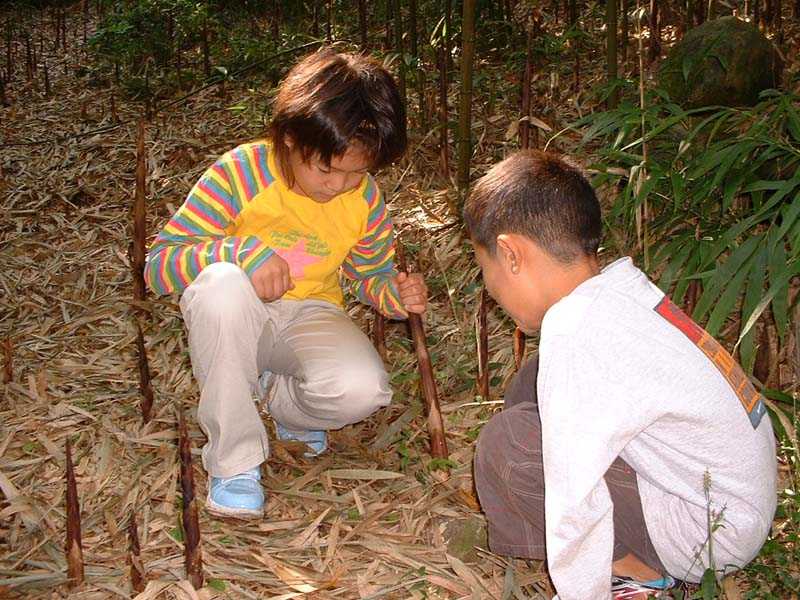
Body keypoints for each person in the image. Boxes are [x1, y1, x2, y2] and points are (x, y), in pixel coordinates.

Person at [464, 150, 777, 599]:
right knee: (532, 383)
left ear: (512, 254)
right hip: (732, 501)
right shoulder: (617, 292)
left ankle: (636, 575)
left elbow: (575, 495)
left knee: (507, 443)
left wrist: (581, 589)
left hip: (705, 530)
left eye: (486, 269)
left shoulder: (576, 331)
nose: (490, 289)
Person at [144, 48, 427, 519]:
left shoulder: (365, 199)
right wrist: (239, 253)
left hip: (310, 313)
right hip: (235, 319)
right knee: (221, 287)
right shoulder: (241, 172)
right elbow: (159, 266)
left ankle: (284, 402)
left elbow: (368, 272)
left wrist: (390, 294)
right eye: (327, 169)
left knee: (363, 390)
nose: (339, 186)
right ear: (291, 138)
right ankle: (234, 462)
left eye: (357, 173)